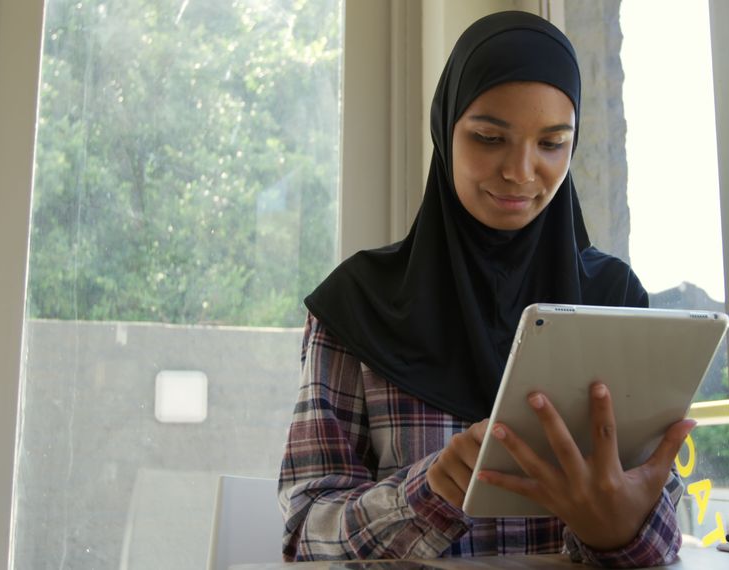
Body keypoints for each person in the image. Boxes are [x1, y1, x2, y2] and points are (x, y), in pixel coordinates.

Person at [278, 11, 695, 567]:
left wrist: (620, 531)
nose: (521, 171)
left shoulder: (613, 298)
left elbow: (665, 527)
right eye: (489, 138)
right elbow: (305, 535)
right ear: (446, 129)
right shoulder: (358, 305)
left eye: (552, 143)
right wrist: (431, 493)